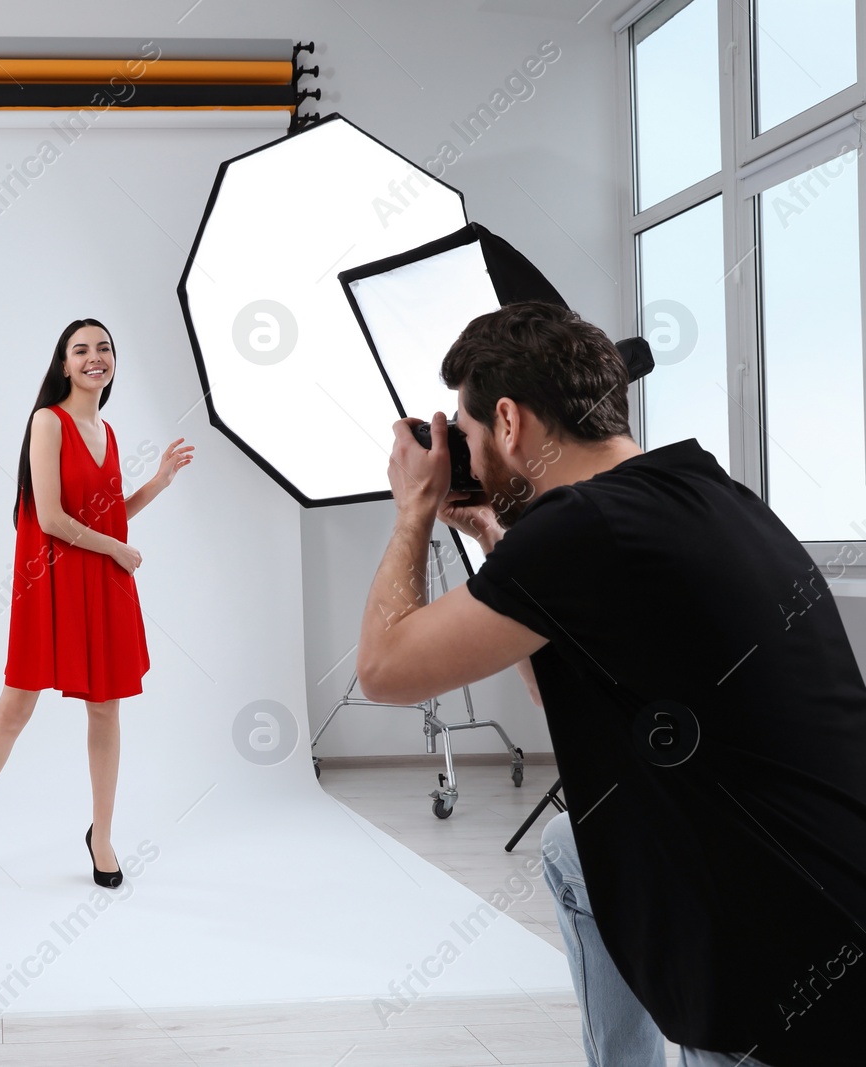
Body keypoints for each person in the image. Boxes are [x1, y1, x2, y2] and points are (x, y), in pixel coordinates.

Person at [355, 301, 866, 1066]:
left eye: (463, 437)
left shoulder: (580, 531)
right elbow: (549, 678)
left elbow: (383, 669)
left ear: (508, 419)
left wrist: (413, 512)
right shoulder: (698, 490)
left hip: (780, 972)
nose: (458, 453)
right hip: (831, 884)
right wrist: (496, 534)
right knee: (569, 846)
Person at [0, 318, 193, 891]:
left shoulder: (109, 429)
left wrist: (158, 483)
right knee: (14, 709)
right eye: (81, 350)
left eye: (104, 349)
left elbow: (106, 514)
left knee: (105, 709)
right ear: (64, 364)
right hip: (49, 582)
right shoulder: (47, 422)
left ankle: (101, 835)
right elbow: (50, 519)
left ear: (113, 364)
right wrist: (121, 551)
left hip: (99, 578)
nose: (94, 357)